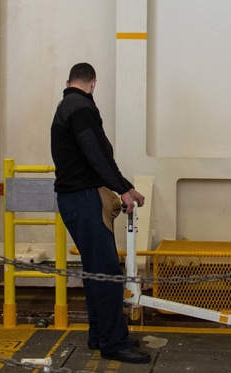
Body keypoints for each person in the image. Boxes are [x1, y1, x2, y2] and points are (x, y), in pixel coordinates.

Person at [51, 62, 150, 364]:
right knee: (107, 273)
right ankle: (113, 342)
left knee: (96, 271)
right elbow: (96, 154)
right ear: (93, 83)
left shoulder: (67, 105)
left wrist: (125, 186)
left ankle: (101, 334)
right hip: (84, 199)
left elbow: (99, 156)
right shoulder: (81, 107)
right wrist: (121, 190)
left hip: (76, 199)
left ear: (69, 81)